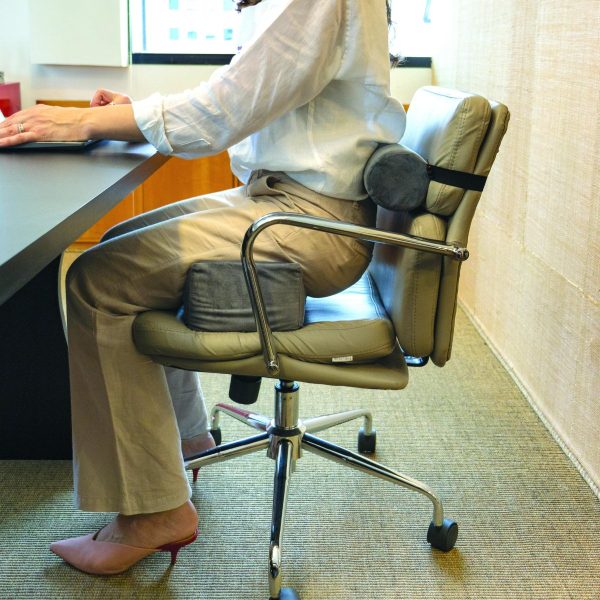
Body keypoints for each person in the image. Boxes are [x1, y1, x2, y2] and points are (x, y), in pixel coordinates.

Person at [0, 0, 405, 575]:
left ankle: (154, 512)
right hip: (289, 201)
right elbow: (248, 93)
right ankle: (187, 441)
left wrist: (84, 122)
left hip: (307, 221)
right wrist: (136, 114)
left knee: (98, 280)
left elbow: (224, 110)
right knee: (119, 244)